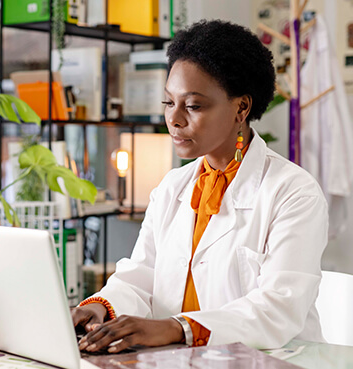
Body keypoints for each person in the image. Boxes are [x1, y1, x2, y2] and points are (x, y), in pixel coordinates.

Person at [71, 19, 328, 353]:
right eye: (168, 102)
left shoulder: (293, 193)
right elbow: (141, 275)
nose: (175, 118)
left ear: (241, 107)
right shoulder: (172, 187)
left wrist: (175, 328)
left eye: (193, 105)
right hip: (184, 359)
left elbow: (277, 309)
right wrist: (99, 307)